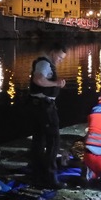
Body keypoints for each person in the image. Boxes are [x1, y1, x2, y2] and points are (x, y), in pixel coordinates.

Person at [28, 42, 68, 190]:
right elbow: (38, 80)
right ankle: (51, 177)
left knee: (39, 140)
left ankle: (37, 174)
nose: (60, 60)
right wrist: (56, 83)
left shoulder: (44, 63)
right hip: (44, 108)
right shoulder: (44, 63)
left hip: (38, 106)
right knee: (53, 140)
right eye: (59, 57)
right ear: (53, 52)